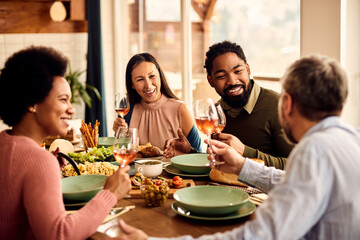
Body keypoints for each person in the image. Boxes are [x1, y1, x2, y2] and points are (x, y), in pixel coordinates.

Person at [117, 54, 360, 239]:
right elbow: (292, 183)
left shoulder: (314, 151)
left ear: (286, 103)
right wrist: (242, 166)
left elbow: (258, 235)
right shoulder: (350, 138)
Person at [0, 46, 132, 239]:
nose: (71, 109)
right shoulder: (38, 160)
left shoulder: (5, 142)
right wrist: (110, 193)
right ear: (32, 103)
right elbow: (59, 234)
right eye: (63, 100)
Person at [164, 41, 294, 170]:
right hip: (223, 188)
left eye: (238, 71)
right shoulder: (216, 112)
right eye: (221, 76)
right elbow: (217, 163)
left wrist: (244, 152)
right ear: (211, 81)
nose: (232, 81)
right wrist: (189, 153)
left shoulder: (278, 105)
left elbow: (296, 166)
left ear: (248, 70)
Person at [112, 53, 201, 151]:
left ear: (160, 76)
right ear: (132, 85)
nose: (148, 85)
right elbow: (122, 153)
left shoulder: (181, 110)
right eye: (140, 79)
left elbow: (198, 155)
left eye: (152, 76)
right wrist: (119, 134)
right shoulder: (128, 109)